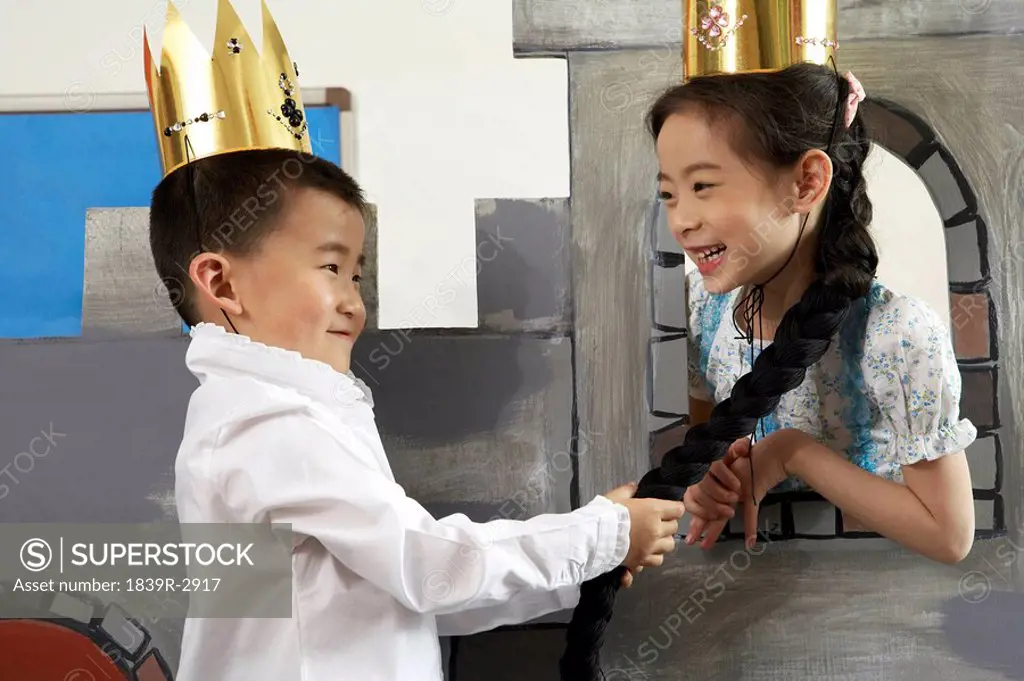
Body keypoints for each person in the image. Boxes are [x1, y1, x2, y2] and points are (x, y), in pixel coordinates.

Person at [142, 2, 684, 680]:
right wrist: (600, 531)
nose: (352, 298)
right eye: (330, 266)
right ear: (222, 282)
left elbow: (406, 595)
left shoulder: (273, 417)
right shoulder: (269, 426)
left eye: (356, 272)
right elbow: (427, 567)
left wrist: (586, 564)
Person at [557, 3, 976, 680]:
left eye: (703, 186)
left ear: (806, 181)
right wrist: (711, 488)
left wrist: (790, 452)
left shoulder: (898, 336)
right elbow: (710, 448)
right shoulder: (708, 315)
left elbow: (951, 534)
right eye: (668, 194)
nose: (683, 221)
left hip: (872, 643)